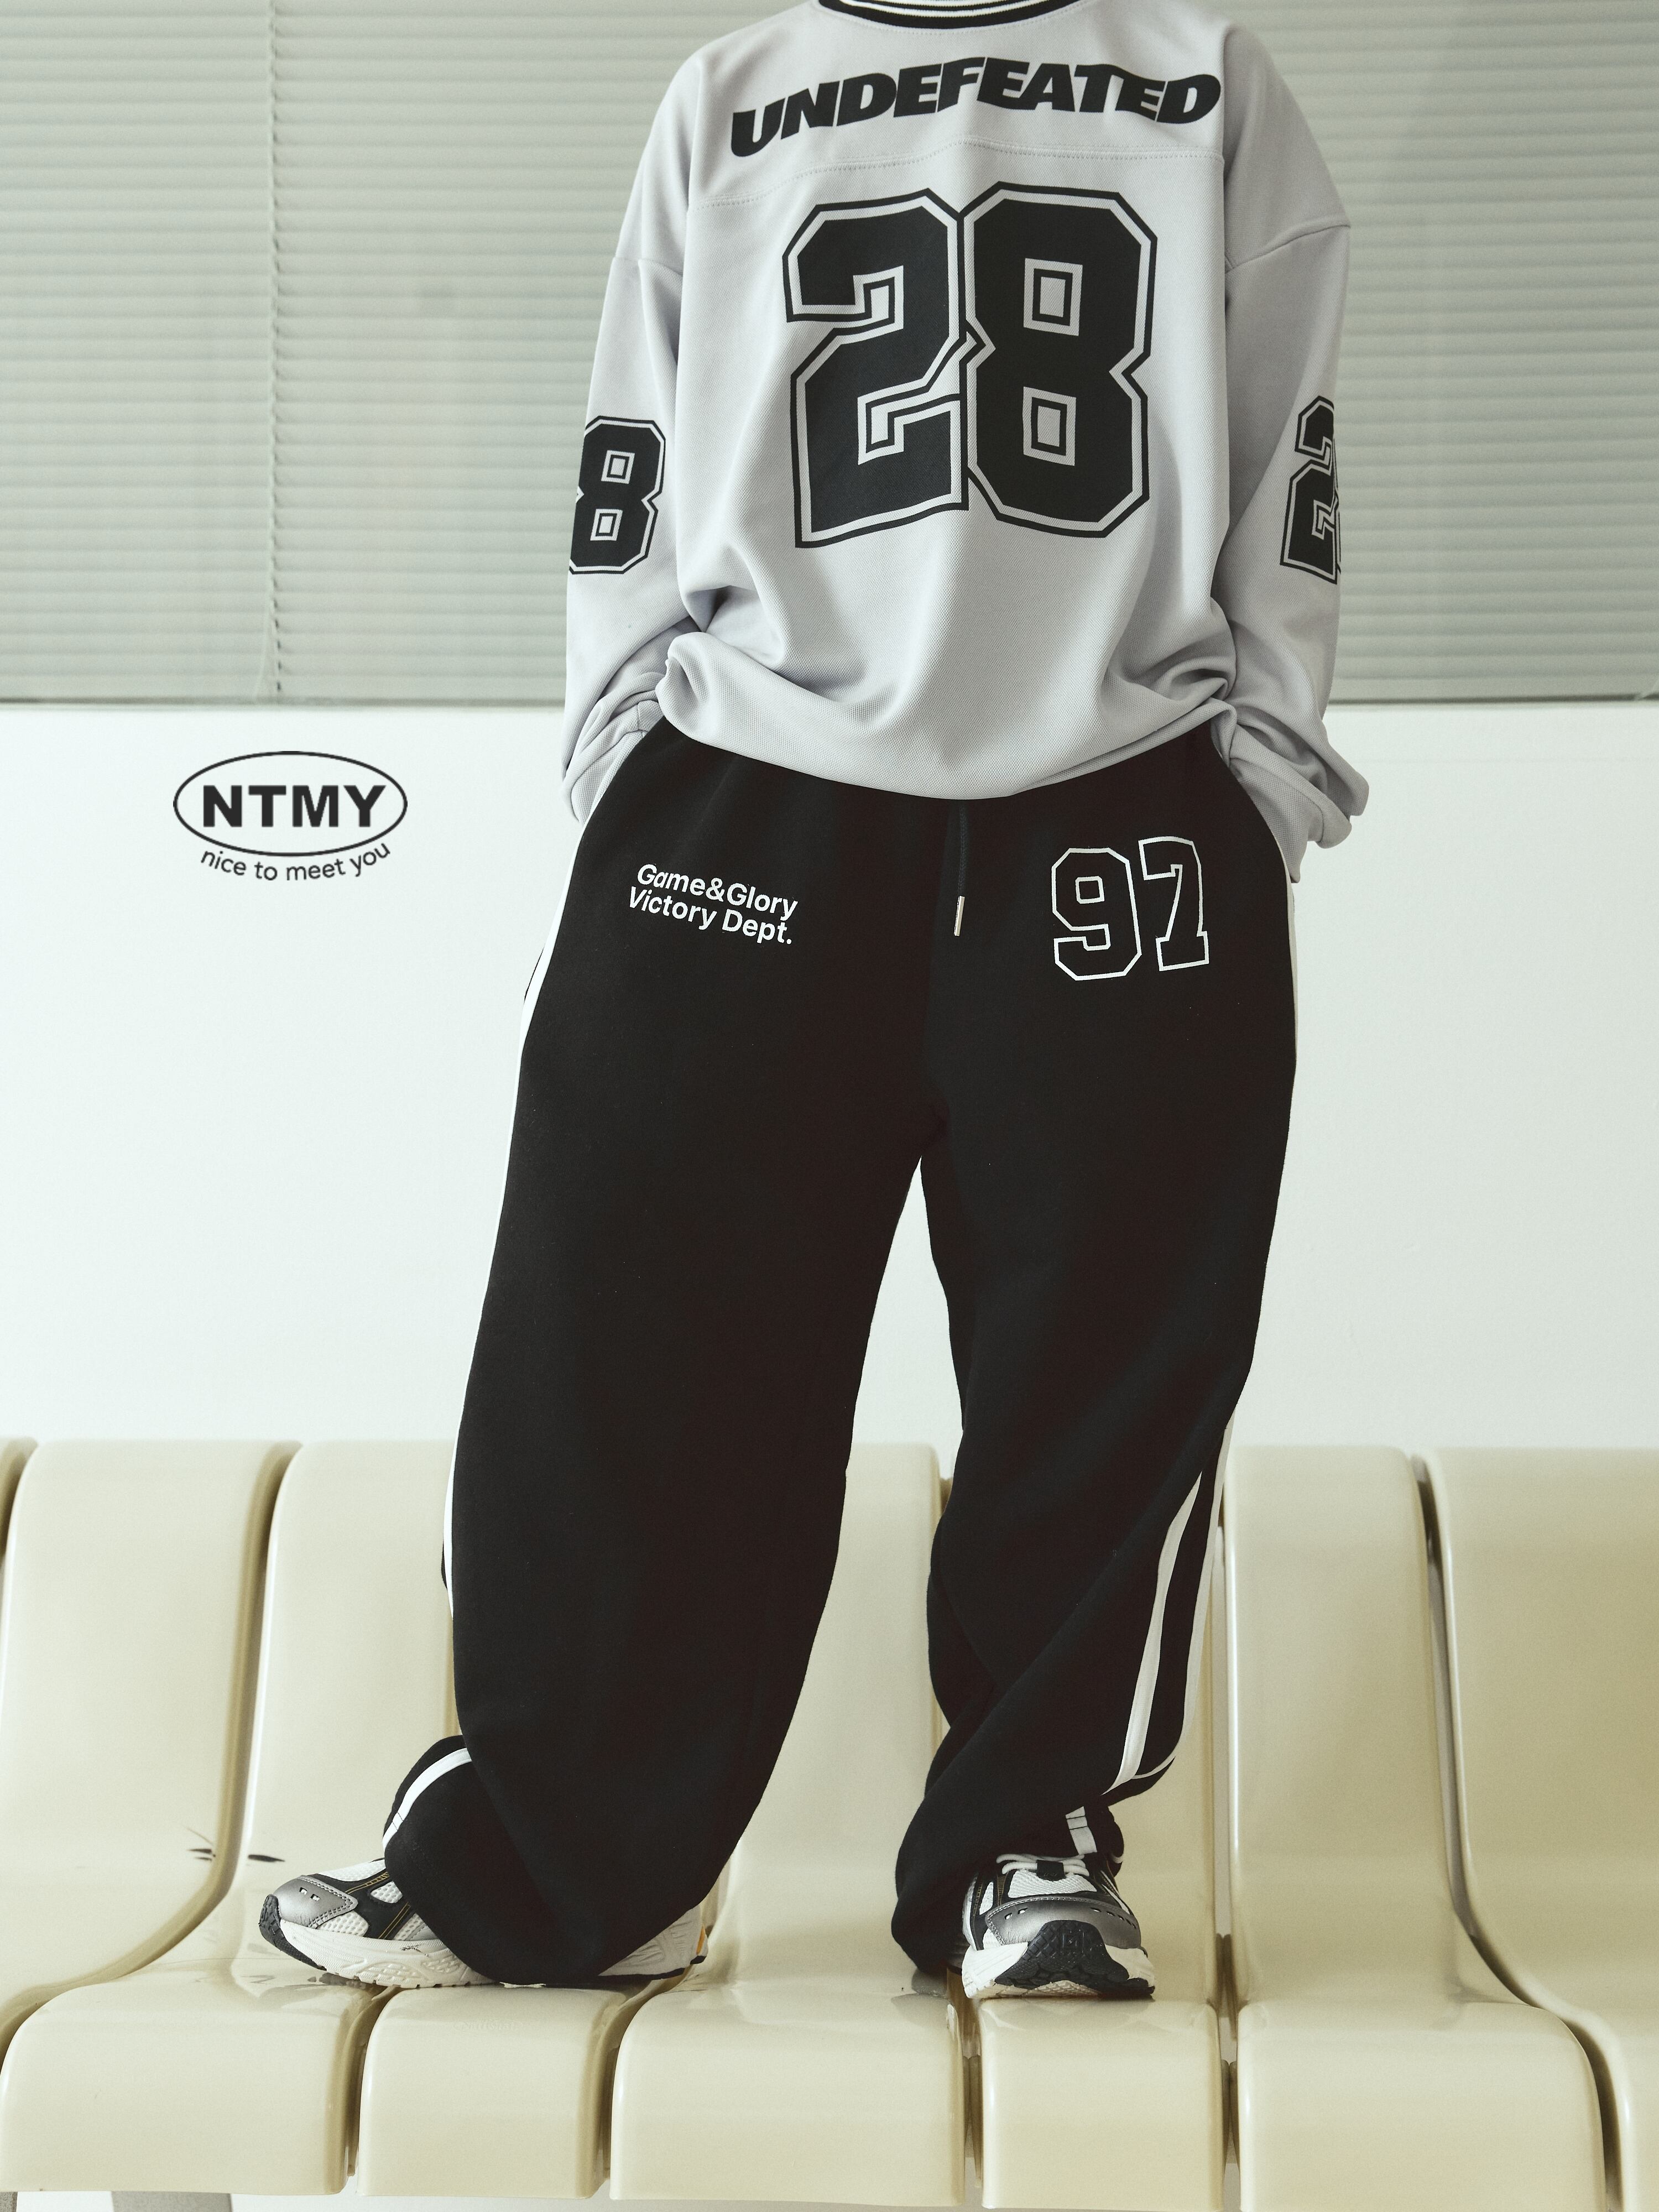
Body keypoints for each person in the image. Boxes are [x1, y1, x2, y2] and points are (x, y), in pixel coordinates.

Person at [261, 0, 1364, 2003]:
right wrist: (633, 751)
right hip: (751, 793)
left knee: (1107, 1371)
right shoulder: (734, 92)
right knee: (623, 1348)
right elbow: (631, 444)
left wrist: (1260, 778)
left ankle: (1025, 1844)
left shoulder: (1207, 72)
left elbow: (1289, 435)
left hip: (1119, 808)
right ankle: (573, 1870)